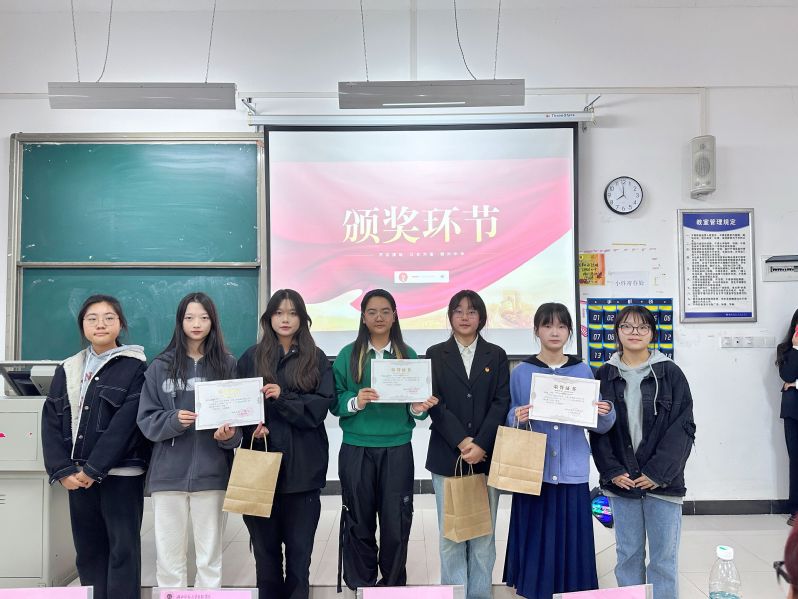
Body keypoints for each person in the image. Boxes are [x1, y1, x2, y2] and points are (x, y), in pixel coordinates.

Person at [41, 294, 149, 599]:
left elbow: (126, 424)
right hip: (76, 478)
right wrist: (63, 470)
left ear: (121, 324)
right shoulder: (68, 367)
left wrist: (94, 468)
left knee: (123, 550)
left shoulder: (136, 367)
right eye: (92, 318)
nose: (100, 324)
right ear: (83, 326)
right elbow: (51, 419)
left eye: (108, 318)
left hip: (121, 475)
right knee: (88, 552)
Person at [504, 302, 615, 598]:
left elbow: (599, 424)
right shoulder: (521, 372)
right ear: (536, 330)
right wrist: (516, 416)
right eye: (547, 325)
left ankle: (572, 590)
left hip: (572, 469)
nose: (555, 332)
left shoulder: (582, 370)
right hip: (534, 470)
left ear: (569, 332)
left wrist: (605, 411)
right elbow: (510, 416)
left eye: (562, 326)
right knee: (536, 533)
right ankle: (534, 588)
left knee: (572, 535)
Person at [331, 288, 438, 590]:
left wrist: (418, 408)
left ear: (394, 316)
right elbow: (334, 400)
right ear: (363, 317)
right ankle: (361, 585)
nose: (379, 317)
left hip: (397, 449)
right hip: (357, 448)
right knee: (358, 521)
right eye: (372, 312)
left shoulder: (408, 355)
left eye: (385, 311)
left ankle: (391, 587)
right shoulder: (348, 355)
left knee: (396, 522)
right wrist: (356, 401)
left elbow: (415, 408)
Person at [589, 304, 696, 599]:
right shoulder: (604, 374)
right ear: (617, 332)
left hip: (663, 483)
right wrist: (612, 471)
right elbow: (597, 430)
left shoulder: (670, 373)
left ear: (652, 333)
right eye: (627, 326)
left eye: (642, 327)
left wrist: (656, 473)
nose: (634, 332)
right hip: (621, 482)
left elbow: (683, 428)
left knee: (663, 559)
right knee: (628, 555)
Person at [137, 292, 240, 589]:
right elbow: (146, 420)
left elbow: (239, 424)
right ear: (179, 322)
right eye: (190, 317)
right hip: (167, 475)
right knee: (169, 560)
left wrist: (229, 436)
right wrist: (172, 420)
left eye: (204, 318)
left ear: (213, 322)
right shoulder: (160, 366)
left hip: (213, 473)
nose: (197, 324)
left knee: (210, 558)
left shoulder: (227, 365)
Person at [237, 289, 335, 599]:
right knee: (265, 560)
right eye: (279, 312)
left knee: (299, 561)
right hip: (258, 470)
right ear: (269, 318)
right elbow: (238, 406)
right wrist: (251, 429)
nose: (285, 319)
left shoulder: (316, 358)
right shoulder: (251, 357)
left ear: (302, 318)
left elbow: (318, 410)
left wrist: (283, 397)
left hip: (303, 472)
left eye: (292, 313)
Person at [425, 290, 510, 599]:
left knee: (483, 536)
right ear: (450, 316)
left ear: (481, 318)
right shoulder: (435, 354)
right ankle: (455, 595)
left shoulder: (496, 354)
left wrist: (481, 443)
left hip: (486, 456)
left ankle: (479, 594)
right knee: (451, 537)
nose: (464, 317)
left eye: (471, 311)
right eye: (458, 311)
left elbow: (501, 402)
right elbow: (434, 402)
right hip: (447, 455)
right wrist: (462, 441)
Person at [777, 308, 798, 525]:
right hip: (794, 412)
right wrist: (797, 347)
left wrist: (796, 385)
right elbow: (788, 375)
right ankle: (796, 509)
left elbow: (792, 381)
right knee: (796, 460)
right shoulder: (785, 350)